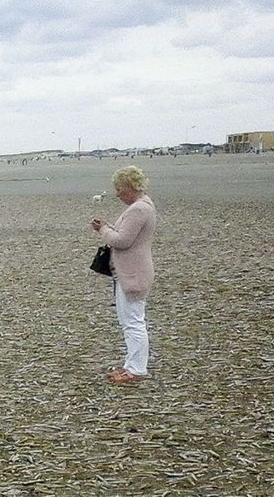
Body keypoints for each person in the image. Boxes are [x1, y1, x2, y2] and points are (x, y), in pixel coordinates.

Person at [90, 165, 158, 385]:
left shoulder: (139, 209)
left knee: (133, 322)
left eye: (119, 188)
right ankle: (131, 366)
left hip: (133, 273)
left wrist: (102, 230)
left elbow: (122, 240)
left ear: (130, 186)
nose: (117, 193)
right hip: (130, 271)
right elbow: (124, 236)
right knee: (130, 320)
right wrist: (108, 227)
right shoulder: (142, 206)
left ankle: (136, 370)